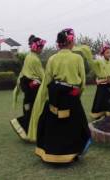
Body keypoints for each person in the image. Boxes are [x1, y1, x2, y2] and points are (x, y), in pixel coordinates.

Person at [28, 28, 91, 163]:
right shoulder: (77, 58)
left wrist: (45, 97)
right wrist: (77, 96)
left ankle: (51, 153)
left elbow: (47, 81)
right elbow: (83, 82)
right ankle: (72, 153)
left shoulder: (52, 59)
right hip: (72, 95)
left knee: (54, 124)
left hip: (55, 97)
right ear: (71, 41)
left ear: (59, 43)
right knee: (74, 125)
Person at [10, 35, 46, 141]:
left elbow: (23, 73)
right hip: (33, 88)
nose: (42, 49)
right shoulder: (35, 59)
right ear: (37, 47)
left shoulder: (28, 56)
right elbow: (42, 75)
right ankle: (30, 132)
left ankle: (27, 131)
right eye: (41, 47)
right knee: (35, 110)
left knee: (28, 108)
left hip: (27, 86)